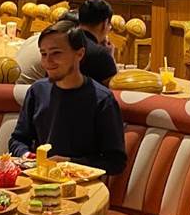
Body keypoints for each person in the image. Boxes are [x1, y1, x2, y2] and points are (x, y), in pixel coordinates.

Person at [8, 22, 127, 176]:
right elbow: (18, 139)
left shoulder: (102, 100)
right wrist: (26, 155)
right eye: (44, 54)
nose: (47, 61)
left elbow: (116, 162)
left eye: (56, 53)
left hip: (83, 185)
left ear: (79, 54)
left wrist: (70, 163)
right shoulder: (37, 91)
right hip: (38, 179)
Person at [75, 0, 121, 84]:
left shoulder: (62, 41)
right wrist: (110, 56)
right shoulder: (100, 54)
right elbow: (115, 85)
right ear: (105, 23)